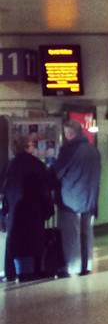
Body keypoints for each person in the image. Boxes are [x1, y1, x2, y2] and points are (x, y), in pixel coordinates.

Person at [1, 134, 53, 282]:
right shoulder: (37, 165)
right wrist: (47, 209)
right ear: (27, 147)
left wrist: (5, 211)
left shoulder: (11, 165)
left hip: (15, 211)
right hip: (34, 211)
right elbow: (46, 188)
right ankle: (35, 270)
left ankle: (17, 272)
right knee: (33, 241)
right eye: (32, 145)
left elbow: (5, 190)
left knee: (16, 243)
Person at [53, 118, 101, 276]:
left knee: (72, 236)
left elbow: (56, 173)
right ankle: (87, 265)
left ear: (69, 133)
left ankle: (74, 266)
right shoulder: (93, 150)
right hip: (89, 198)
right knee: (87, 234)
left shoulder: (68, 151)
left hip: (71, 200)